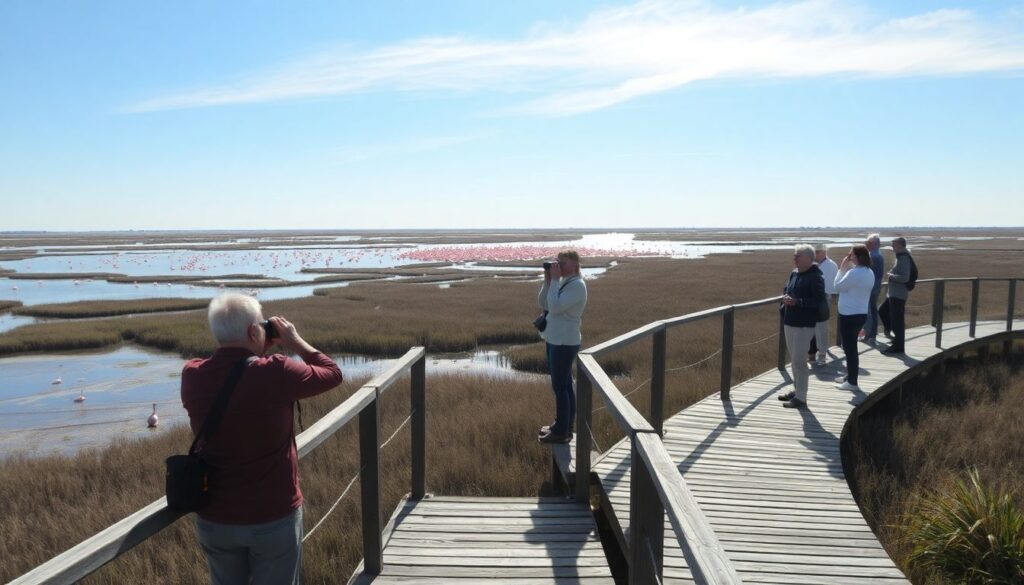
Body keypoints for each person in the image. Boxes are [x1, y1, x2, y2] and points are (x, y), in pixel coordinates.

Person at [182, 293, 343, 585]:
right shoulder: (276, 371)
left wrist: (256, 348)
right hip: (272, 516)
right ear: (253, 331)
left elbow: (238, 379)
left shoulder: (192, 375)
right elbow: (332, 373)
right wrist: (293, 341)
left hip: (215, 518)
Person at [537, 249, 588, 444]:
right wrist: (549, 280)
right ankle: (564, 426)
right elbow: (544, 303)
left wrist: (556, 281)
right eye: (557, 263)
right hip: (555, 339)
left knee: (560, 387)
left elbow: (556, 307)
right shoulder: (563, 282)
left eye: (563, 263)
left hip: (565, 342)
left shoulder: (577, 286)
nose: (559, 266)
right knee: (565, 385)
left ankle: (562, 431)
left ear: (575, 265)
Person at [777, 245, 826, 409]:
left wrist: (798, 302)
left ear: (808, 258)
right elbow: (787, 289)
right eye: (794, 255)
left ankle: (801, 398)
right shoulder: (794, 273)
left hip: (804, 325)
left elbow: (819, 301)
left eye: (797, 256)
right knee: (794, 360)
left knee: (799, 361)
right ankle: (797, 390)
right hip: (789, 322)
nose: (794, 258)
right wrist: (786, 297)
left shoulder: (815, 276)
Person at [833, 245, 875, 391]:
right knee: (850, 346)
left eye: (851, 255)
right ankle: (850, 376)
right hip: (860, 313)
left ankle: (852, 382)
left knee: (850, 348)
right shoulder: (869, 272)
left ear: (857, 257)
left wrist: (842, 268)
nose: (849, 258)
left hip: (849, 315)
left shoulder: (854, 273)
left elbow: (837, 286)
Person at [880, 237, 913, 354]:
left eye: (893, 245)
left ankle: (898, 347)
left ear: (900, 245)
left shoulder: (903, 258)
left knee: (897, 322)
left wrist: (890, 276)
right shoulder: (901, 256)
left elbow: (905, 277)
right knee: (883, 311)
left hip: (898, 295)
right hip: (893, 294)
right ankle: (895, 340)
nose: (892, 247)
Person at [807, 243, 838, 366]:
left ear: (825, 252)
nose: (816, 255)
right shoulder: (813, 265)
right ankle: (812, 355)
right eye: (815, 252)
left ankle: (822, 355)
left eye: (818, 252)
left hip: (823, 299)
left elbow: (831, 286)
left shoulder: (831, 265)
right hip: (811, 299)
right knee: (811, 329)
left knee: (821, 328)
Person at [861, 234, 885, 345]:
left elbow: (867, 273)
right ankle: (872, 334)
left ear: (874, 244)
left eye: (868, 243)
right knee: (873, 310)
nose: (866, 245)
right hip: (875, 287)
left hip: (871, 288)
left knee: (869, 311)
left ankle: (869, 335)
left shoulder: (873, 256)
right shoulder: (878, 255)